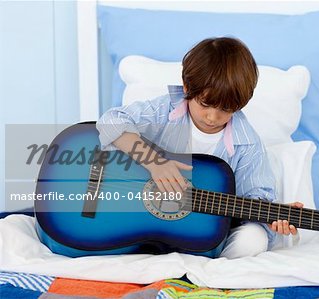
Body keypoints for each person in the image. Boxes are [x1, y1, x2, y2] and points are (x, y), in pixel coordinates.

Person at [97, 37, 302, 259]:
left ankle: (205, 268)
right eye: (205, 104)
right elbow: (111, 120)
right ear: (187, 88)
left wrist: (270, 216)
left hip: (200, 230)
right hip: (138, 215)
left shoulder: (248, 145)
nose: (213, 117)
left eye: (226, 109)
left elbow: (256, 196)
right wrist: (152, 161)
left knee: (254, 239)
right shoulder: (164, 111)